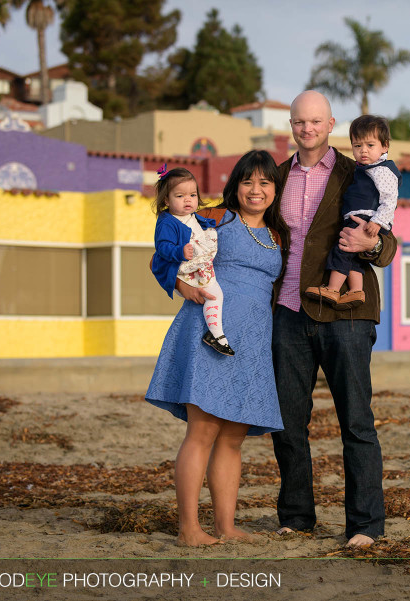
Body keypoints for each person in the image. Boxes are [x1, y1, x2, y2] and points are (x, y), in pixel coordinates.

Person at [270, 90, 397, 548]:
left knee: (357, 422)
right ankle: (297, 516)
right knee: (287, 422)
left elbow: (388, 240)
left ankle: (365, 525)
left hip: (346, 315)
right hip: (286, 311)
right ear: (291, 125)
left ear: (330, 124)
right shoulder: (275, 178)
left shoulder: (356, 170)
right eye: (299, 122)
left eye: (316, 121)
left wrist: (373, 246)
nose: (307, 129)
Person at [146, 150, 290, 547]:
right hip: (210, 335)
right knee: (203, 431)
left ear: (275, 189)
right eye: (248, 181)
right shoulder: (213, 217)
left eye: (265, 182)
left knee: (232, 438)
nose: (255, 190)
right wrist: (181, 284)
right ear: (235, 185)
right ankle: (189, 528)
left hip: (254, 345)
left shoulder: (279, 234)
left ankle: (226, 526)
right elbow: (161, 253)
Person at [304, 114, 400, 310]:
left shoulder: (382, 171)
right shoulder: (363, 169)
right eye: (357, 146)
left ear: (385, 146)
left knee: (342, 249)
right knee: (354, 257)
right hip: (358, 216)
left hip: (366, 218)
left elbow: (390, 201)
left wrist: (377, 222)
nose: (363, 151)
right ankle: (356, 290)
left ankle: (332, 288)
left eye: (370, 145)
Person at [150, 166, 235, 356]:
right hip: (185, 270)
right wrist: (179, 251)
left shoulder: (192, 217)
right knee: (214, 295)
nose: (187, 200)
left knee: (215, 295)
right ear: (166, 199)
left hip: (199, 266)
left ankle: (217, 334)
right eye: (180, 196)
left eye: (192, 195)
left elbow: (200, 229)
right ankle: (216, 335)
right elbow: (162, 247)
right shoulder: (168, 221)